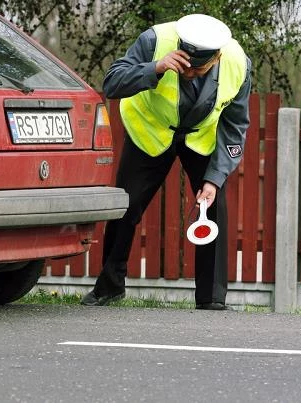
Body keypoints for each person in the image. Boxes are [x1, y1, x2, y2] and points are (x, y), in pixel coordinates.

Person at [81, 14, 251, 310]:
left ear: (217, 57)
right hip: (151, 130)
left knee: (213, 207)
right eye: (185, 65)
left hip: (200, 136)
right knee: (127, 207)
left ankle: (211, 299)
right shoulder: (154, 41)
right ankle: (109, 287)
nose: (190, 72)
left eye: (199, 68)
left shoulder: (238, 62)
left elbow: (235, 126)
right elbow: (112, 84)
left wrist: (215, 178)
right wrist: (156, 68)